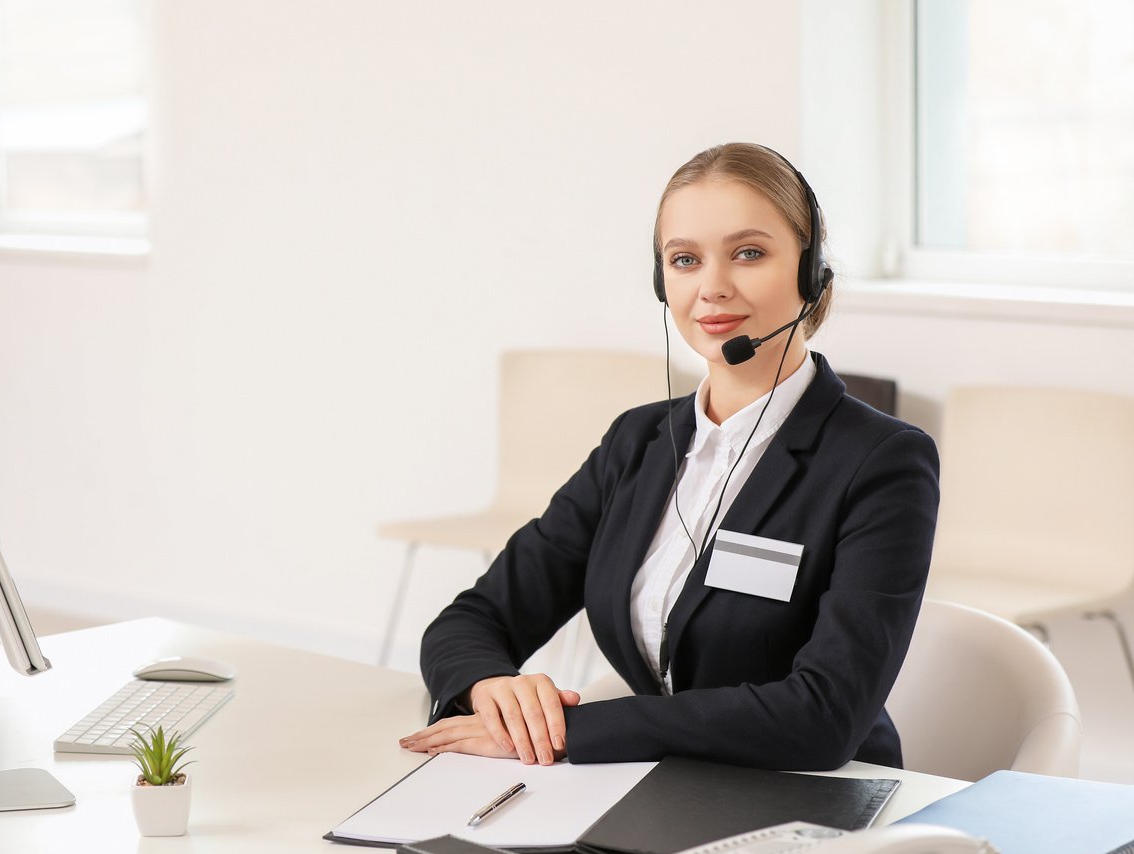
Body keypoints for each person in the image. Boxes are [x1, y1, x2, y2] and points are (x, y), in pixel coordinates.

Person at [399, 143, 939, 772]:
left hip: (811, 797)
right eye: (685, 260)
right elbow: (473, 619)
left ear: (811, 272)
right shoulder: (637, 443)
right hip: (659, 780)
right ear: (663, 282)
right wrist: (496, 693)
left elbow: (824, 716)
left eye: (748, 253)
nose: (712, 287)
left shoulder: (883, 463)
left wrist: (578, 731)